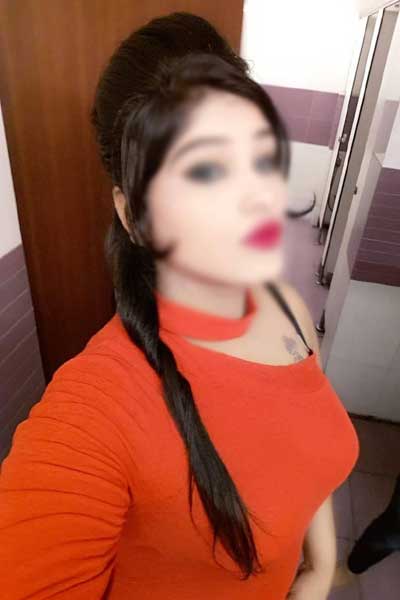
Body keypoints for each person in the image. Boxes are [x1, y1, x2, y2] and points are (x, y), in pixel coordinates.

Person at [0, 12, 360, 600]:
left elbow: (307, 449)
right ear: (133, 216)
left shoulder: (287, 308)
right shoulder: (95, 409)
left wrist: (319, 569)